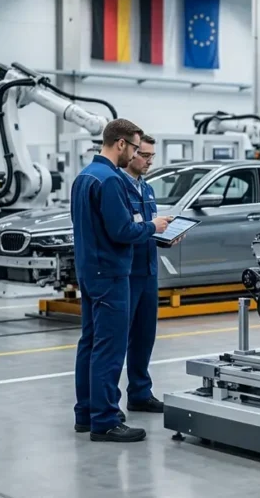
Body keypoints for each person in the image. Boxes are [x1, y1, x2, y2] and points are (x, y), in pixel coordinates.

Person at [71, 119, 171, 443]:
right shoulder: (111, 180)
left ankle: (85, 413)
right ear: (121, 144)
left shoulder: (84, 177)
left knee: (90, 343)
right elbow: (122, 231)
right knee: (109, 349)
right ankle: (105, 419)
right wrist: (153, 227)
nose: (137, 154)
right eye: (135, 147)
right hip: (112, 273)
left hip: (89, 271)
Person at [121, 134, 165, 414]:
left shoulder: (146, 189)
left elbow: (146, 227)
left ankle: (139, 393)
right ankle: (106, 404)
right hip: (126, 272)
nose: (150, 161)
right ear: (131, 152)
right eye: (145, 155)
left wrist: (164, 235)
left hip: (148, 270)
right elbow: (122, 230)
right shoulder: (117, 188)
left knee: (145, 335)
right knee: (117, 339)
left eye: (152, 157)